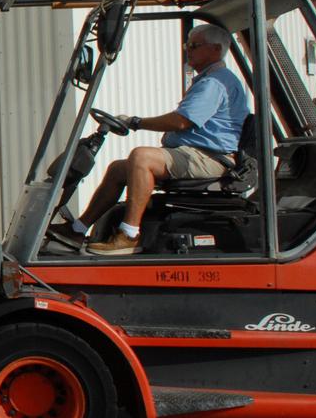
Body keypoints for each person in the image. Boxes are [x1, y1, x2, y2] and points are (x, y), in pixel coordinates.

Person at [50, 24, 248, 256]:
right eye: (187, 45)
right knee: (118, 169)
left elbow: (181, 122)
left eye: (194, 46)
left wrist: (136, 122)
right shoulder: (209, 80)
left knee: (142, 157)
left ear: (216, 49)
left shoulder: (215, 83)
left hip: (210, 158)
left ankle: (129, 235)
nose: (188, 50)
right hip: (194, 154)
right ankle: (77, 229)